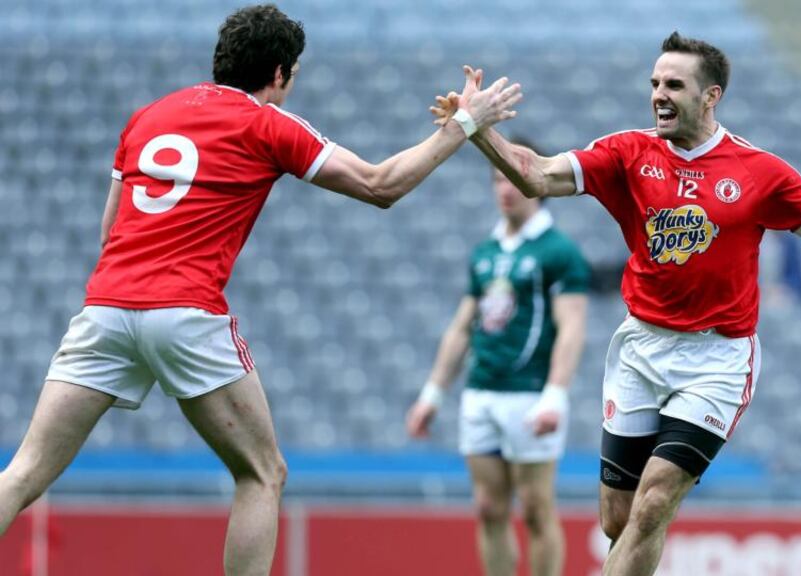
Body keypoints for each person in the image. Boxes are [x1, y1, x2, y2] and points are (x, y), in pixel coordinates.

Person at [431, 33, 801, 576]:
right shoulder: (626, 153)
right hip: (640, 348)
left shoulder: (760, 173)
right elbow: (535, 176)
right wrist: (478, 129)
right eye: (655, 84)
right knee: (619, 518)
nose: (659, 95)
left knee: (655, 500)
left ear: (710, 96)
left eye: (674, 86)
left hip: (717, 360)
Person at [0, 4, 520, 575]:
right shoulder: (266, 123)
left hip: (105, 307)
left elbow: (110, 233)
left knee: (24, 470)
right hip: (185, 312)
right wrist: (465, 124)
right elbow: (381, 185)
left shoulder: (146, 117)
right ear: (279, 72)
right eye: (293, 74)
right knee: (262, 472)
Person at [406, 140, 590, 576]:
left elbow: (572, 328)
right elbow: (462, 326)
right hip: (481, 391)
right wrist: (433, 393)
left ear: (535, 182)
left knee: (534, 508)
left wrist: (555, 396)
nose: (504, 188)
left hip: (529, 394)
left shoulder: (558, 252)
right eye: (496, 178)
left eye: (512, 177)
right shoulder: (485, 254)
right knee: (489, 507)